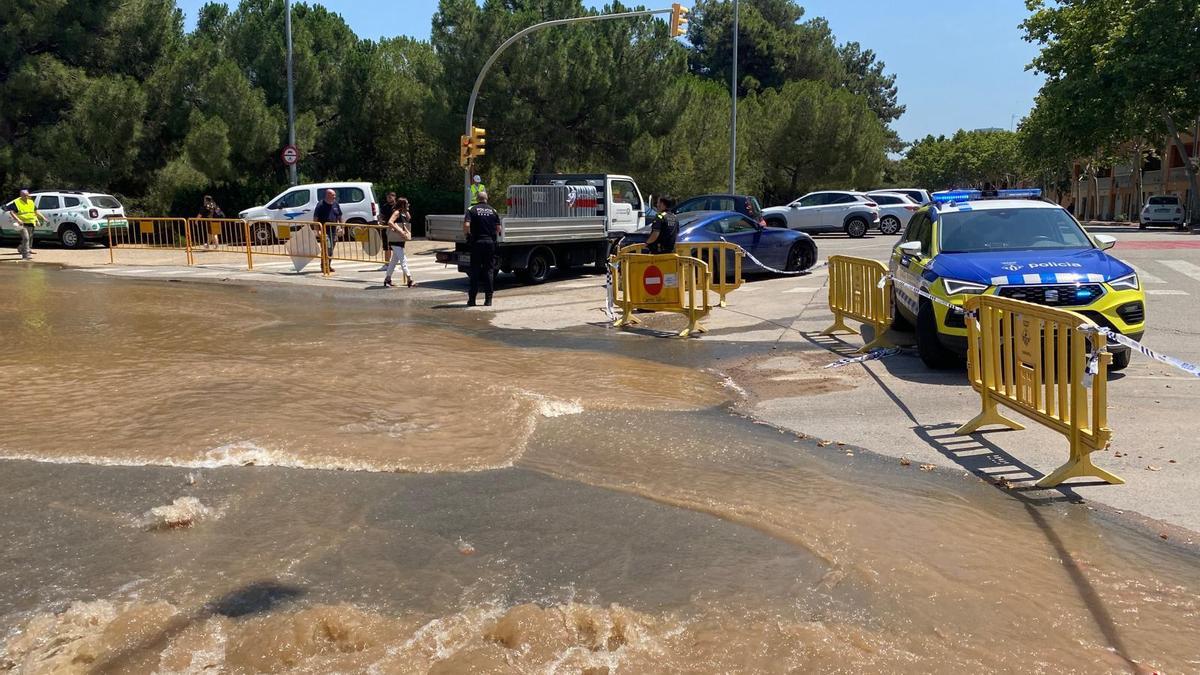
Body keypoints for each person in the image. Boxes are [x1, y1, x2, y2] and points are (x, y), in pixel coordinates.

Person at [463, 190, 501, 306]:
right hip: (489, 243)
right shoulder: (493, 211)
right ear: (486, 198)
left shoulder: (471, 210)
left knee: (475, 270)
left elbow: (466, 225)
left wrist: (468, 235)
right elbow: (498, 229)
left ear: (477, 199)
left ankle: (472, 300)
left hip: (477, 243)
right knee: (489, 270)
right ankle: (488, 300)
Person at [383, 196, 414, 288]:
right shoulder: (396, 212)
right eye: (407, 203)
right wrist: (400, 230)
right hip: (395, 240)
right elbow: (390, 222)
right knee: (403, 260)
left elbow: (409, 218)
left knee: (393, 261)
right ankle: (410, 279)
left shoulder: (403, 213)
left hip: (399, 240)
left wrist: (406, 210)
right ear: (403, 204)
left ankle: (387, 279)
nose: (408, 205)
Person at [5, 189, 44, 261]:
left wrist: (38, 220)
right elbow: (11, 212)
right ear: (21, 196)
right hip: (21, 224)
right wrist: (18, 220)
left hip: (31, 222)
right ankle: (25, 255)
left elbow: (33, 212)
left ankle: (21, 248)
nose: (27, 197)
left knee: (28, 238)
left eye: (28, 195)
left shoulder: (31, 202)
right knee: (26, 238)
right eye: (25, 195)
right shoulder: (17, 202)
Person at [313, 188, 342, 273]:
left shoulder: (336, 204)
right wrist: (317, 230)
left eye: (334, 195)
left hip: (334, 231)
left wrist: (341, 227)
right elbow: (315, 218)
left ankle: (328, 265)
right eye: (333, 195)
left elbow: (340, 216)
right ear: (328, 195)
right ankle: (324, 266)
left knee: (331, 249)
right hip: (324, 231)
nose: (334, 196)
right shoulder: (321, 205)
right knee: (326, 248)